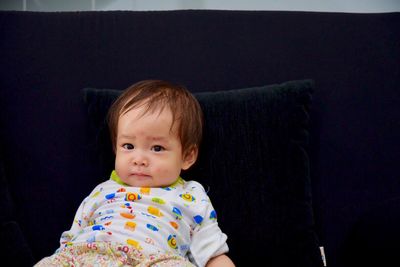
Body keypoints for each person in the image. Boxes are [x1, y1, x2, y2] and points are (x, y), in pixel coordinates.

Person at [35, 80, 234, 267]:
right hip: (93, 253)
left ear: (187, 156)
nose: (138, 159)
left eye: (157, 148)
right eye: (128, 146)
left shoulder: (191, 196)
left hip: (155, 259)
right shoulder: (103, 189)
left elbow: (213, 254)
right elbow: (72, 236)